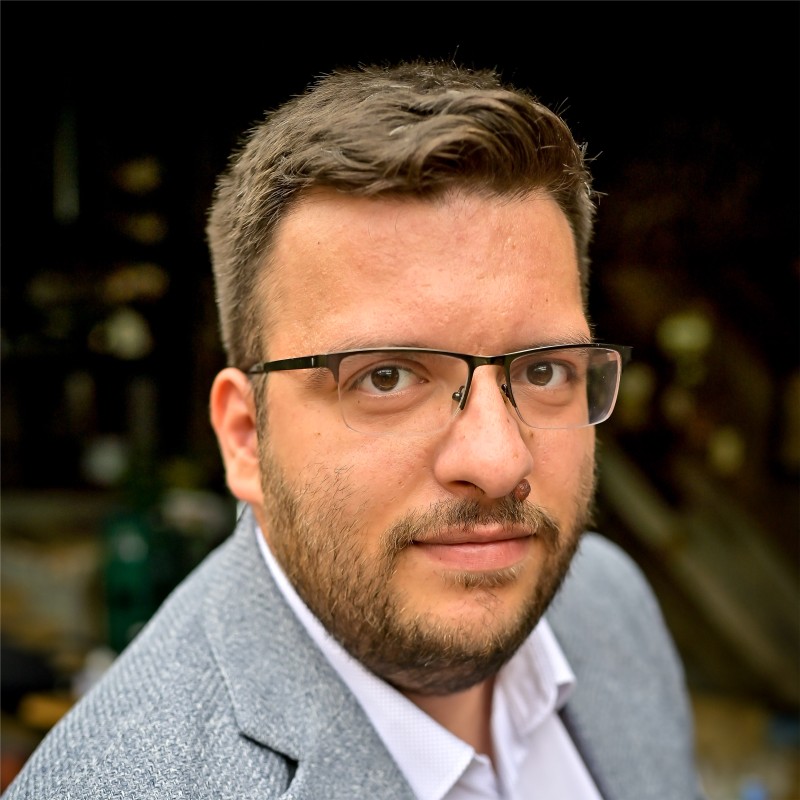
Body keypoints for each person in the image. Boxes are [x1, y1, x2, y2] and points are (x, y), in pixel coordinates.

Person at [4, 60, 706, 799]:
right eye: (387, 377)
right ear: (245, 436)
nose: (498, 461)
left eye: (544, 370)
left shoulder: (608, 601)